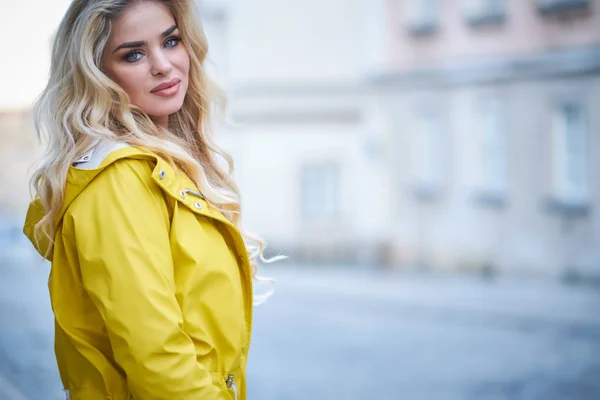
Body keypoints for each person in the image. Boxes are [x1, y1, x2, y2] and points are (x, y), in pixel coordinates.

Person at [22, 1, 281, 399]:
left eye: (171, 41)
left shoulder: (161, 168)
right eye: (134, 54)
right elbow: (159, 362)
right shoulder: (119, 181)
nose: (162, 65)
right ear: (96, 73)